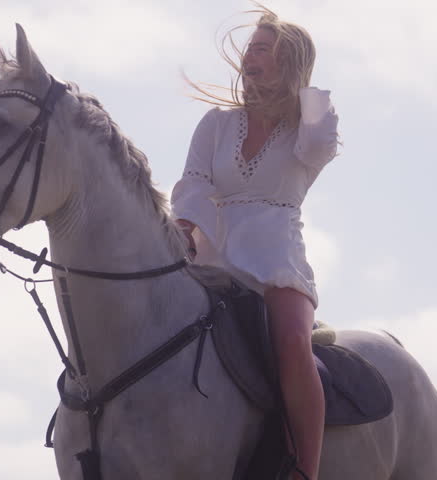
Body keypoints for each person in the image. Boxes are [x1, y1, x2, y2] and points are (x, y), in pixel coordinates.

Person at [171, 7, 339, 480]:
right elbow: (196, 184)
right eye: (250, 48)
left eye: (264, 49)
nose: (250, 57)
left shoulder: (309, 128)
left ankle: (302, 471)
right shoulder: (217, 124)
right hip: (212, 256)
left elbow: (320, 144)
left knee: (291, 343)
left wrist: (300, 82)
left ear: (288, 61)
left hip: (276, 258)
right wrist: (182, 230)